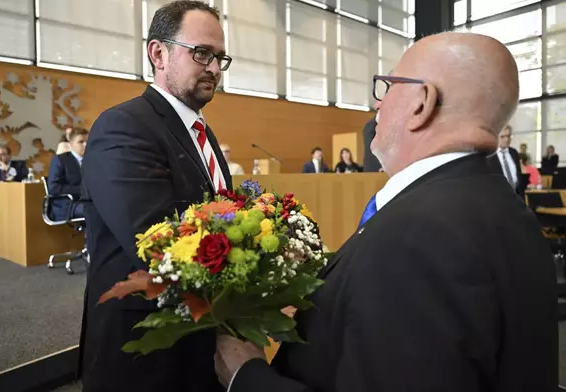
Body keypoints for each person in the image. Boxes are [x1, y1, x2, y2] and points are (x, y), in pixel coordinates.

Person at [215, 32, 557, 392]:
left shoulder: (417, 239)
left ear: (421, 103)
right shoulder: (506, 211)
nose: (377, 106)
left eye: (388, 86)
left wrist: (247, 377)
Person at [79, 2, 232, 391]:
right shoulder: (124, 126)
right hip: (143, 350)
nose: (214, 68)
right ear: (158, 53)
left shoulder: (203, 133)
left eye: (220, 58)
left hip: (199, 337)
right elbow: (156, 240)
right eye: (202, 53)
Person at [47, 128, 88, 220]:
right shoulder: (61, 160)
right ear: (71, 144)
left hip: (87, 201)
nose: (85, 145)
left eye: (87, 141)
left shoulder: (92, 161)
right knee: (97, 210)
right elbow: (53, 188)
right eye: (81, 142)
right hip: (68, 204)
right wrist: (82, 190)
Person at [487, 125, 524, 196]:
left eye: (509, 136)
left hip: (517, 197)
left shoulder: (514, 152)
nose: (507, 139)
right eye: (502, 137)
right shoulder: (488, 156)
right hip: (498, 198)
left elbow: (519, 178)